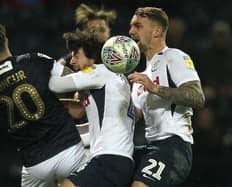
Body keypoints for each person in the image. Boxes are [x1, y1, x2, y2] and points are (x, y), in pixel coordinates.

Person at [0, 23, 87, 187]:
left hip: (35, 164)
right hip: (69, 149)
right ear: (6, 41)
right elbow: (72, 79)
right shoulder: (32, 60)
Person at [128, 7, 205, 187]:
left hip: (173, 146)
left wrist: (155, 88)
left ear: (157, 31)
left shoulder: (173, 56)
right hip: (149, 147)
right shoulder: (141, 75)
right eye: (131, 26)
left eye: (138, 26)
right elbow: (134, 116)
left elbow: (197, 97)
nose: (131, 32)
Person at [49, 30, 135, 187]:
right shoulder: (114, 77)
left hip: (109, 158)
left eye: (76, 55)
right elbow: (79, 111)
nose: (73, 61)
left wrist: (57, 64)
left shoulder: (99, 72)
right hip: (118, 159)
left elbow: (55, 84)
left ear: (91, 56)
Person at [57, 3, 118, 149]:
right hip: (81, 130)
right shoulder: (69, 61)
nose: (97, 33)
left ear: (109, 32)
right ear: (83, 32)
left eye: (101, 29)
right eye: (92, 30)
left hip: (113, 126)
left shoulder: (118, 59)